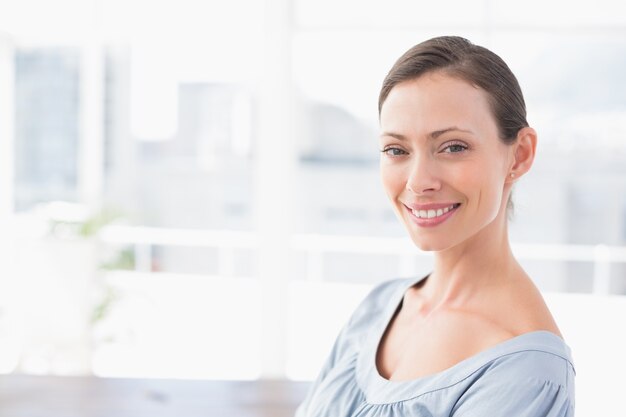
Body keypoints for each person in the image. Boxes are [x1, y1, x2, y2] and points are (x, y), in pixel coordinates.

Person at [295, 36, 575, 417]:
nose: (417, 181)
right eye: (397, 150)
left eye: (453, 147)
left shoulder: (524, 369)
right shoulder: (379, 308)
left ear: (519, 155)